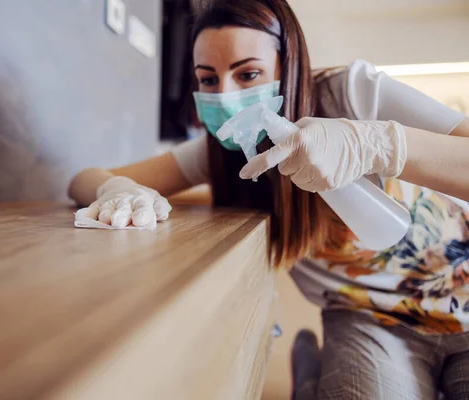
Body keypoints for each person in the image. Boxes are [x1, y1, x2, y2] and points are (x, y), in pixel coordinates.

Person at [69, 0, 469, 398]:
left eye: (248, 73)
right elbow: (84, 180)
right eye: (208, 80)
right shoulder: (224, 152)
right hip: (367, 319)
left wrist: (380, 144)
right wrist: (116, 189)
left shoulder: (353, 94)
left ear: (286, 64)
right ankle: (314, 373)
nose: (225, 96)